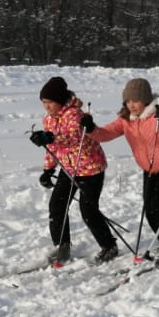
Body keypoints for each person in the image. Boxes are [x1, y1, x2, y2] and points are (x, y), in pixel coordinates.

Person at [82, 77, 159, 265]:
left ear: (145, 100)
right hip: (149, 168)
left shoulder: (157, 115)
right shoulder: (125, 120)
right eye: (127, 101)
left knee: (155, 206)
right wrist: (90, 128)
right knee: (149, 208)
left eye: (135, 100)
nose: (131, 105)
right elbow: (105, 134)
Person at [28, 75, 119, 266]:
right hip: (69, 168)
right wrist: (47, 169)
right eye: (43, 102)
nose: (46, 106)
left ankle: (109, 245)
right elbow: (54, 147)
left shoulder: (76, 115)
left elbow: (72, 138)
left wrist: (49, 138)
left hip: (90, 168)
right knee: (57, 207)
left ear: (60, 100)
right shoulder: (49, 119)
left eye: (50, 102)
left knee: (88, 211)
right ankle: (62, 246)